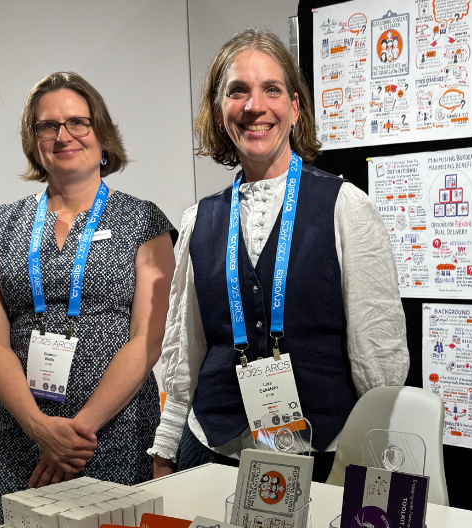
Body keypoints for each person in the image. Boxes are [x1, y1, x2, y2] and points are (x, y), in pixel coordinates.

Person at [148, 28, 408, 482]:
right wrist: (166, 447)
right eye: (238, 91)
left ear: (295, 105)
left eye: (271, 89)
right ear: (219, 108)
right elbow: (183, 349)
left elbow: (378, 354)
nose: (254, 106)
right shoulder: (198, 220)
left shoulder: (347, 206)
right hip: (211, 451)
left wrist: (379, 459)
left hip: (325, 455)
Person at [0, 72, 175, 528]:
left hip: (112, 434)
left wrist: (76, 434)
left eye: (77, 122)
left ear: (101, 134)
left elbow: (148, 338)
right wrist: (41, 429)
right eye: (48, 125)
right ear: (34, 140)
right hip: (17, 436)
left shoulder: (144, 220)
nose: (63, 135)